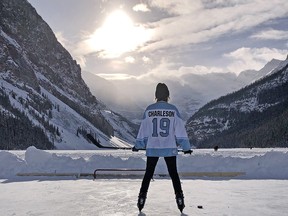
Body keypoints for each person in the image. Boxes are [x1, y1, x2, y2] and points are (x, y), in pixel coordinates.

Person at [132, 83, 192, 213]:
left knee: (148, 174)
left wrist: (138, 145)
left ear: (156, 95)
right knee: (174, 174)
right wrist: (186, 147)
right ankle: (180, 198)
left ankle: (142, 198)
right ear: (168, 95)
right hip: (169, 147)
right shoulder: (173, 110)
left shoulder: (149, 110)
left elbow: (144, 131)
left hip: (153, 148)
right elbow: (180, 132)